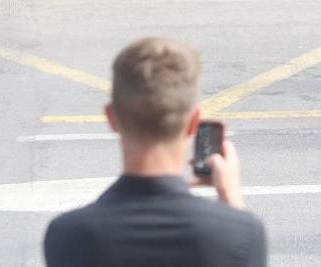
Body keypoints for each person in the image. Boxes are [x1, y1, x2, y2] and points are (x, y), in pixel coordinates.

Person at [43, 37, 267, 266]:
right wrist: (232, 200)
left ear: (112, 118)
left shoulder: (68, 235)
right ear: (193, 122)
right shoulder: (239, 235)